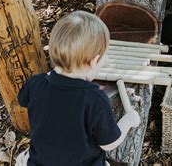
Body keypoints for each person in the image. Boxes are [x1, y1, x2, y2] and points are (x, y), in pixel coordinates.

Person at [17, 11, 140, 165]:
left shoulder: (36, 83)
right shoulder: (94, 98)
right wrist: (128, 120)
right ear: (94, 61)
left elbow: (22, 100)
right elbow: (109, 144)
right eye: (104, 56)